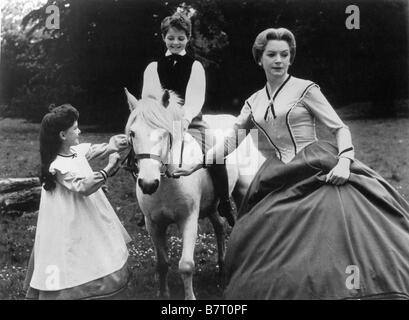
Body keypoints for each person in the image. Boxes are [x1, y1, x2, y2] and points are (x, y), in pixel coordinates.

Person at [172, 28, 409, 299]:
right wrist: (196, 164)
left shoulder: (306, 89)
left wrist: (344, 161)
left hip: (317, 164)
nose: (278, 60)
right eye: (271, 54)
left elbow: (340, 128)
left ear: (290, 58)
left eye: (285, 55)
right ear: (259, 58)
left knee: (331, 227)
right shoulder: (254, 101)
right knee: (256, 229)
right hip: (277, 172)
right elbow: (231, 141)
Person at [24, 104, 132, 300]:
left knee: (95, 245)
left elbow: (95, 150)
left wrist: (114, 144)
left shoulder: (74, 151)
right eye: (75, 128)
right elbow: (83, 187)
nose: (79, 130)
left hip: (86, 212)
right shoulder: (57, 166)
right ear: (63, 135)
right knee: (71, 252)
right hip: (68, 218)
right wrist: (108, 168)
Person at [140, 12, 235, 227]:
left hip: (191, 123)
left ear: (188, 38)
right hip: (160, 123)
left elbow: (195, 99)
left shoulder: (195, 66)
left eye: (181, 38)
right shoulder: (153, 67)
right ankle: (146, 203)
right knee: (140, 152)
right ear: (163, 37)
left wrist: (184, 119)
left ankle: (224, 201)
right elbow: (148, 99)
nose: (175, 42)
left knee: (214, 154)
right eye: (171, 38)